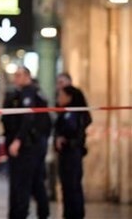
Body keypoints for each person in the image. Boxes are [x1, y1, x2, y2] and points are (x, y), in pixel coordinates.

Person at [2, 66, 52, 219]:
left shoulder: (28, 93)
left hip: (26, 147)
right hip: (33, 145)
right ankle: (43, 213)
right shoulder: (33, 92)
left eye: (18, 75)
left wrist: (17, 141)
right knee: (36, 182)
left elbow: (27, 119)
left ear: (27, 76)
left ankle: (18, 214)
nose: (15, 78)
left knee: (21, 183)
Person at [55, 84, 91, 219]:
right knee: (67, 186)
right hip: (67, 153)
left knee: (72, 186)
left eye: (61, 95)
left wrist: (63, 139)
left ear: (69, 97)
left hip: (72, 153)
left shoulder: (73, 114)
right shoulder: (66, 112)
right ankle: (69, 213)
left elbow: (73, 131)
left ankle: (75, 214)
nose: (59, 98)